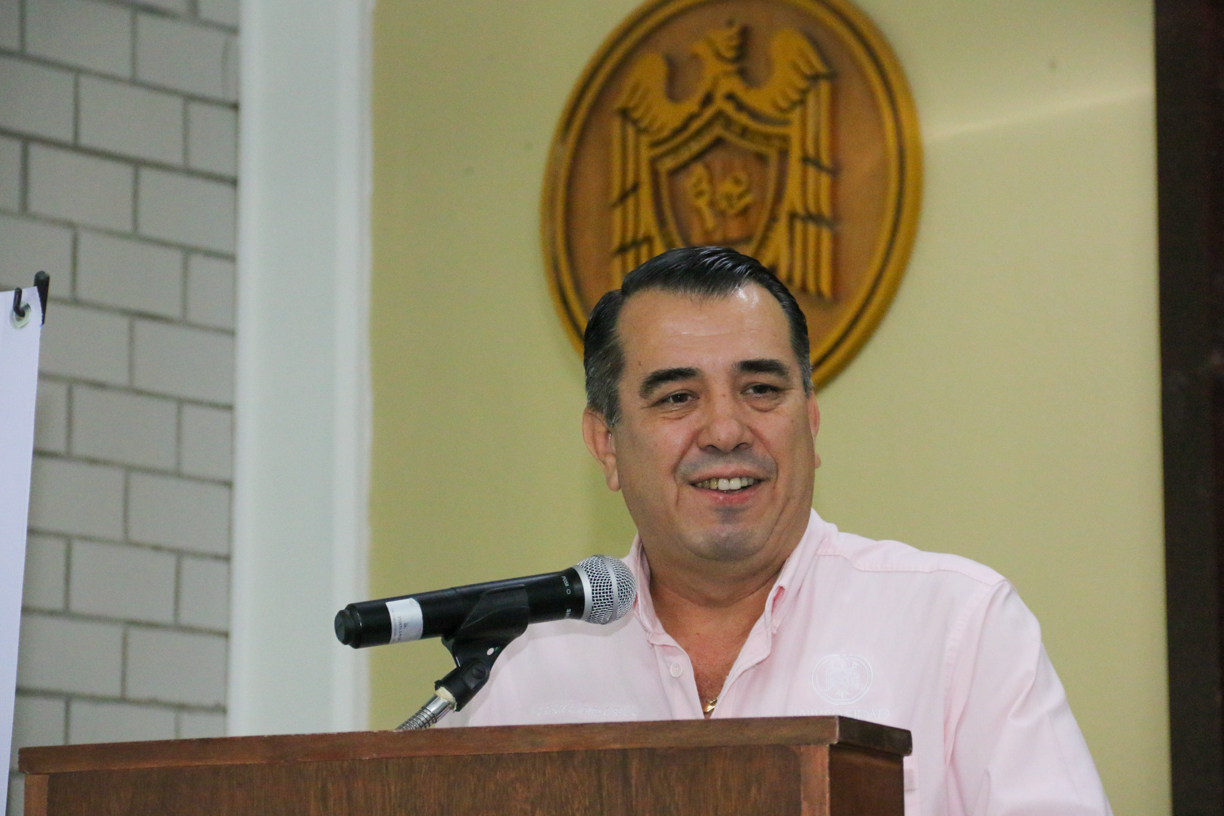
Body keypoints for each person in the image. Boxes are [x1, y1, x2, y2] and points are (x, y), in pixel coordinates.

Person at [447, 246, 1112, 816]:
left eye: (761, 389)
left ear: (811, 422)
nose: (726, 430)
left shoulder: (958, 624)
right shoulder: (528, 665)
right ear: (606, 444)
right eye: (677, 397)